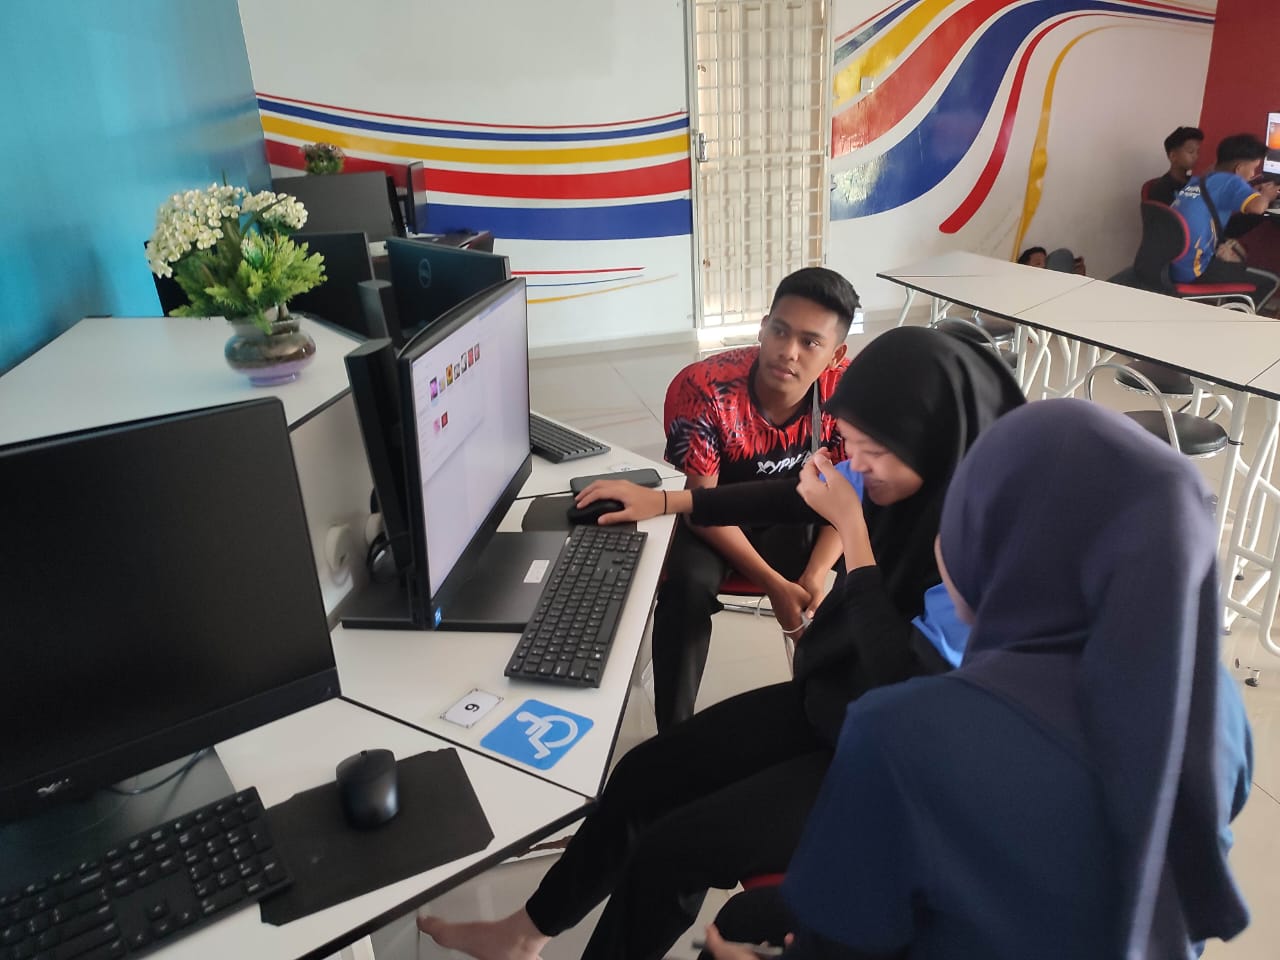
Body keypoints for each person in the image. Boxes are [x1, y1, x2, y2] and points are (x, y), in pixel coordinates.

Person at [416, 327, 1026, 960]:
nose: (858, 465)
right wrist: (666, 499)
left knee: (674, 849)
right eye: (855, 446)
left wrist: (852, 529)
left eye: (874, 453)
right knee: (642, 776)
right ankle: (524, 933)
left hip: (898, 763)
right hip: (838, 703)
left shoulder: (980, 548)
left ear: (934, 441)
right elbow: (800, 492)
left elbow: (900, 682)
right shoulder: (902, 473)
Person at [702, 400, 1253, 960]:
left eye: (962, 514)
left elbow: (848, 938)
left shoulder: (900, 727)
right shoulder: (1216, 706)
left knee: (739, 922)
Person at [654, 266, 856, 731]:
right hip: (718, 523)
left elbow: (846, 499)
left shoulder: (848, 394)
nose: (788, 351)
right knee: (685, 588)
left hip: (804, 516)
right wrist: (774, 584)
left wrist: (815, 573)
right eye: (780, 331)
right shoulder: (706, 387)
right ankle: (673, 737)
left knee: (871, 563)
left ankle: (841, 712)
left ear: (835, 355)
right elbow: (701, 506)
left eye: (810, 342)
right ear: (763, 328)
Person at [1171, 132, 1280, 311]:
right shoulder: (1232, 182)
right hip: (1193, 270)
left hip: (1171, 263)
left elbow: (1222, 192)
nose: (1253, 174)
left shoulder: (1200, 179)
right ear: (1239, 168)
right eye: (1253, 168)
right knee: (1270, 281)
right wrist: (1267, 195)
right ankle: (1235, 320)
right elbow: (1258, 207)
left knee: (1236, 262)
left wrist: (1250, 190)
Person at [1147, 126, 1205, 205]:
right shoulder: (1162, 188)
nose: (1196, 156)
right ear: (1173, 156)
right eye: (1191, 151)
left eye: (1198, 152)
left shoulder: (1194, 182)